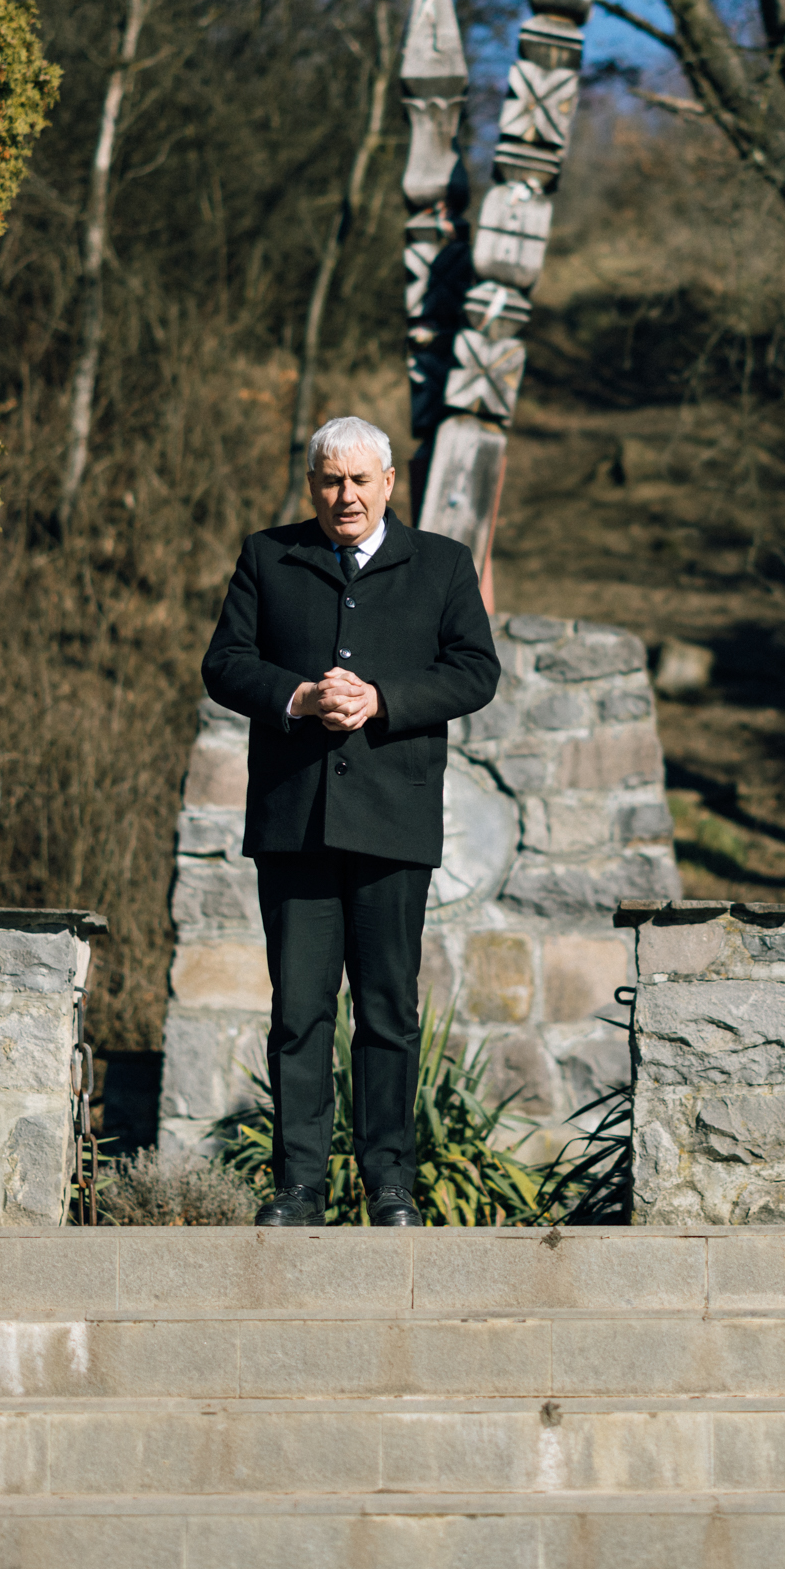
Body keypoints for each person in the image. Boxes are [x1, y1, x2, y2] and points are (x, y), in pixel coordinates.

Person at [201, 415, 499, 1229]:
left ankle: (389, 1183)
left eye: (361, 480)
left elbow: (477, 670)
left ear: (389, 483)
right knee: (298, 1009)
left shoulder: (440, 564)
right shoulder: (269, 554)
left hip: (394, 823)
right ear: (311, 486)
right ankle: (298, 1184)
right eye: (331, 481)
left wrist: (384, 701)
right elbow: (224, 662)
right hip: (294, 823)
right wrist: (296, 697)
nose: (346, 496)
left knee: (388, 1010)